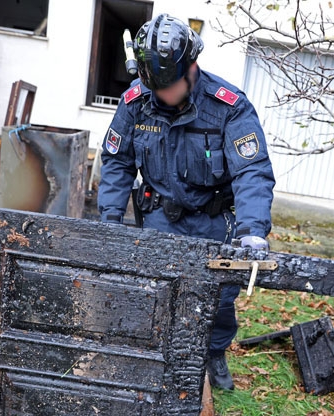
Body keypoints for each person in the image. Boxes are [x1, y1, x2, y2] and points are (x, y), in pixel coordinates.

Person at [97, 13, 275, 390]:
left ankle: (214, 354)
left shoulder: (229, 107)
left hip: (213, 222)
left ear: (191, 66)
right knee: (156, 295)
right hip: (161, 217)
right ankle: (157, 358)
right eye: (157, 88)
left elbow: (252, 171)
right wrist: (110, 223)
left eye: (172, 85)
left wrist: (253, 231)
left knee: (219, 301)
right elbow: (117, 162)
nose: (165, 96)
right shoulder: (136, 103)